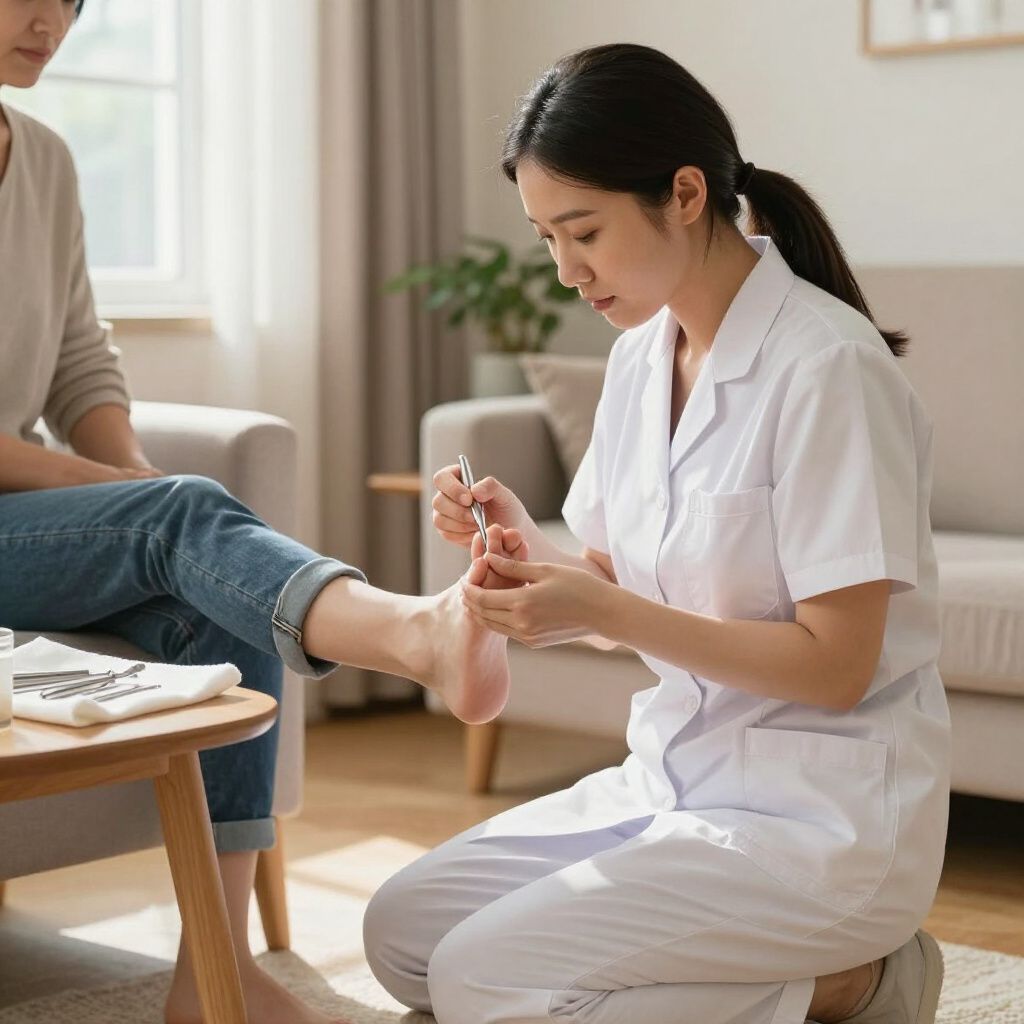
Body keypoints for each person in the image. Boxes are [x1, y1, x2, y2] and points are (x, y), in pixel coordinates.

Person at [363, 42, 950, 1024]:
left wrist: (606, 603)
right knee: (401, 935)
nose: (563, 271)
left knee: (478, 980)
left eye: (581, 230)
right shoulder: (641, 357)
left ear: (683, 194)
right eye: (547, 237)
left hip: (819, 819)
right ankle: (816, 988)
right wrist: (527, 555)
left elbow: (837, 665)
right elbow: (610, 583)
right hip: (672, 778)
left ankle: (866, 976)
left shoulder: (825, 370)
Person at [0, 3, 520, 1023]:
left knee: (226, 600)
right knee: (183, 523)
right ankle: (416, 634)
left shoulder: (46, 161)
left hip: (26, 529)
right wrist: (132, 506)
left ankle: (213, 973)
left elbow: (77, 363)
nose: (55, 20)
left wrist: (136, 486)